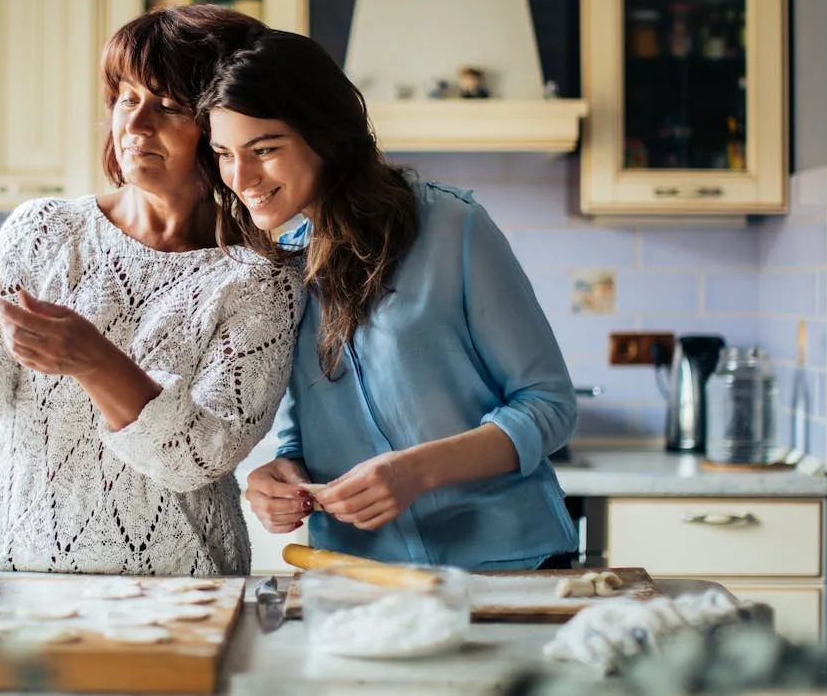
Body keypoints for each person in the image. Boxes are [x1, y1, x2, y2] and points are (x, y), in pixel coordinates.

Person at [0, 5, 303, 576]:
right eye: (126, 99)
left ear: (221, 125)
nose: (134, 128)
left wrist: (93, 361)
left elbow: (199, 455)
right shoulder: (45, 230)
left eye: (167, 107)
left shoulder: (260, 278)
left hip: (175, 583)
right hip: (2, 568)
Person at [200, 29, 577, 571]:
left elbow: (549, 406)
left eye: (264, 149)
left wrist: (415, 472)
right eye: (223, 154)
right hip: (360, 575)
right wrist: (281, 473)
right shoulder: (276, 267)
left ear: (325, 135)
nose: (241, 177)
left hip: (506, 564)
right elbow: (301, 428)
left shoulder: (454, 228)